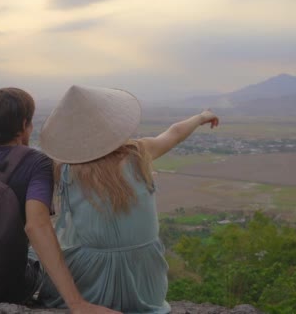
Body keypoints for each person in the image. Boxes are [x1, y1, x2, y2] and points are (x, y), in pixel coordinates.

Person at [0, 88, 119, 313]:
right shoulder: (36, 164)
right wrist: (77, 304)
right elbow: (37, 226)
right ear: (25, 125)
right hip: (4, 289)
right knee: (43, 253)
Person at [38, 85, 219, 313]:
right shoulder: (139, 154)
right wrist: (202, 116)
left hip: (90, 283)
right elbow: (174, 133)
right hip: (146, 283)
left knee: (37, 254)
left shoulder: (64, 169)